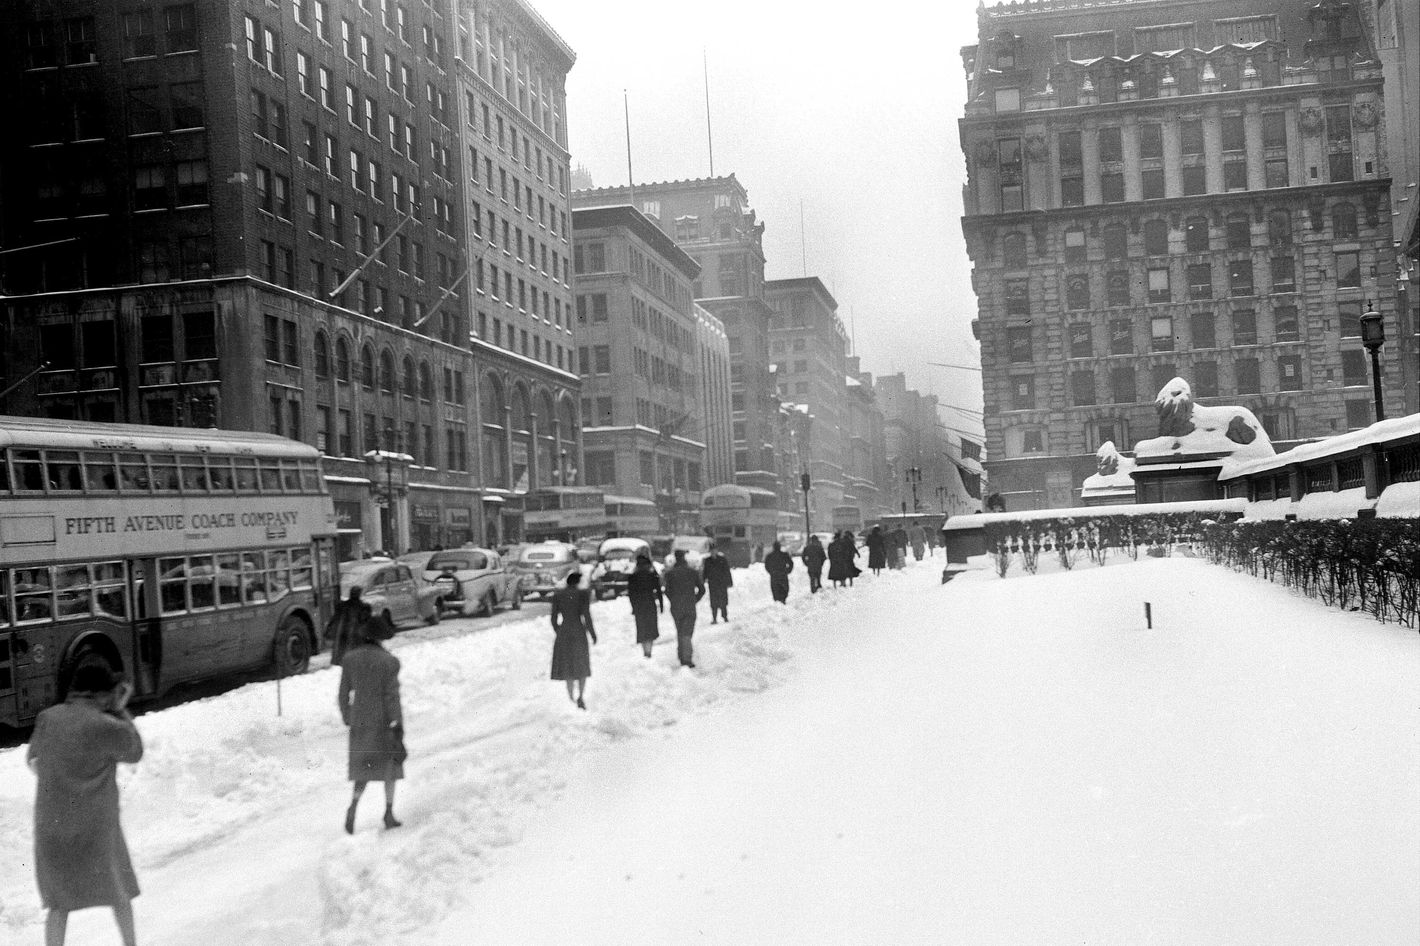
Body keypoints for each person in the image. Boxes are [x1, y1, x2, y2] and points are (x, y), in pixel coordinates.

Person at [28, 661, 143, 946]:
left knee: (58, 904)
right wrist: (119, 709)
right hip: (96, 832)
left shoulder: (47, 718)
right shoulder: (107, 725)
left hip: (51, 832)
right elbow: (135, 751)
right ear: (103, 694)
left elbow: (33, 760)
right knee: (119, 893)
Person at [339, 615, 405, 834]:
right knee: (390, 769)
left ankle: (354, 805)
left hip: (360, 720)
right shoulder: (389, 662)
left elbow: (343, 693)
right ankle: (388, 813)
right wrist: (397, 723)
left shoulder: (350, 659)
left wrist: (348, 716)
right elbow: (391, 696)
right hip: (383, 721)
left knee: (363, 768)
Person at [549, 572, 596, 707]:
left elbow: (553, 618)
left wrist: (559, 630)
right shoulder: (582, 595)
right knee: (581, 665)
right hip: (578, 632)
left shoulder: (558, 595)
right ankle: (580, 695)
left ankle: (571, 698)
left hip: (564, 632)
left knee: (568, 666)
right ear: (577, 582)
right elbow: (586, 616)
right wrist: (592, 633)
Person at [662, 550, 705, 668]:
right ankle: (686, 658)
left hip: (676, 607)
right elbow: (702, 590)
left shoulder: (670, 574)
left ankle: (681, 655)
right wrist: (694, 600)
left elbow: (667, 591)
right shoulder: (692, 572)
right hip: (689, 606)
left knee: (680, 631)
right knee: (687, 632)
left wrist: (674, 600)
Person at [625, 554, 664, 659]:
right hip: (650, 604)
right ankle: (649, 651)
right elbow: (658, 590)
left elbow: (631, 594)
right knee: (650, 628)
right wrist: (661, 604)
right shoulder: (651, 575)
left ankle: (645, 652)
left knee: (642, 628)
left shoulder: (632, 577)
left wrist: (633, 607)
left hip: (639, 606)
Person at [327, 585, 372, 667]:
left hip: (343, 636)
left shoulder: (342, 606)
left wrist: (329, 632)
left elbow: (334, 620)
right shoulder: (363, 607)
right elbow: (366, 622)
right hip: (357, 637)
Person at [702, 544, 734, 623]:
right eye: (712, 551)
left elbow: (727, 571)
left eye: (714, 550)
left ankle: (725, 616)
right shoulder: (707, 560)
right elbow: (705, 571)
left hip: (722, 583)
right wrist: (703, 579)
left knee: (723, 600)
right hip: (712, 584)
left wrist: (729, 582)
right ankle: (714, 618)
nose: (713, 552)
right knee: (714, 601)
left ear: (717, 551)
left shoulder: (722, 559)